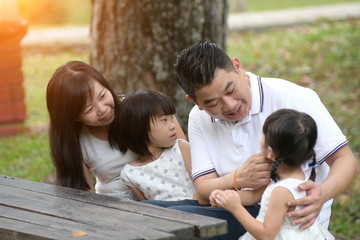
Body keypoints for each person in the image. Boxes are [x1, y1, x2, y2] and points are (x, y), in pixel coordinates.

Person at [144, 41, 359, 239]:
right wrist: (238, 178)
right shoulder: (198, 118)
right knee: (148, 212)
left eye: (231, 90)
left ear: (238, 67)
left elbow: (345, 160)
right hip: (234, 205)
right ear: (195, 102)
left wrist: (321, 194)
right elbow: (203, 192)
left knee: (167, 225)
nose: (229, 105)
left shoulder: (292, 97)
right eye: (212, 103)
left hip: (282, 221)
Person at [46, 61, 186, 199]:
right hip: (113, 204)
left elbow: (183, 153)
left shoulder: (141, 109)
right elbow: (84, 198)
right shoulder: (75, 141)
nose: (102, 109)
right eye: (89, 109)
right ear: (75, 117)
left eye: (102, 96)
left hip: (162, 195)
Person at [211, 109, 334, 240]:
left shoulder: (282, 191)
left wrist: (236, 208)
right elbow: (254, 196)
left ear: (271, 152)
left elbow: (267, 234)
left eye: (263, 136)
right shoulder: (294, 176)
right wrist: (226, 197)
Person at [119, 89, 196, 201]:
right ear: (140, 128)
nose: (173, 126)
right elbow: (148, 210)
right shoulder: (129, 173)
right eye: (164, 120)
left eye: (172, 118)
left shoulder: (181, 148)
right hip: (163, 217)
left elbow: (201, 188)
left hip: (197, 211)